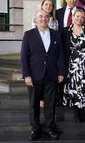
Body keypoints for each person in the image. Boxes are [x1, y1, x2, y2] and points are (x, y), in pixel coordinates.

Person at [21, 10, 65, 140]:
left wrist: (62, 72)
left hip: (52, 74)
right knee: (34, 104)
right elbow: (24, 56)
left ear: (49, 19)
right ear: (35, 19)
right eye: (40, 16)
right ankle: (35, 129)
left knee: (50, 104)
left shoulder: (56, 35)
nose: (43, 19)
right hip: (34, 75)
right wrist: (26, 75)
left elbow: (61, 55)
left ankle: (49, 128)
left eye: (46, 17)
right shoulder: (28, 35)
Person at [61, 9, 85, 122]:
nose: (79, 19)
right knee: (74, 88)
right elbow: (62, 50)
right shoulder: (65, 31)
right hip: (72, 65)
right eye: (77, 16)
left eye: (82, 17)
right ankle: (77, 112)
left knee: (84, 87)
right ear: (73, 16)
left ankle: (84, 111)